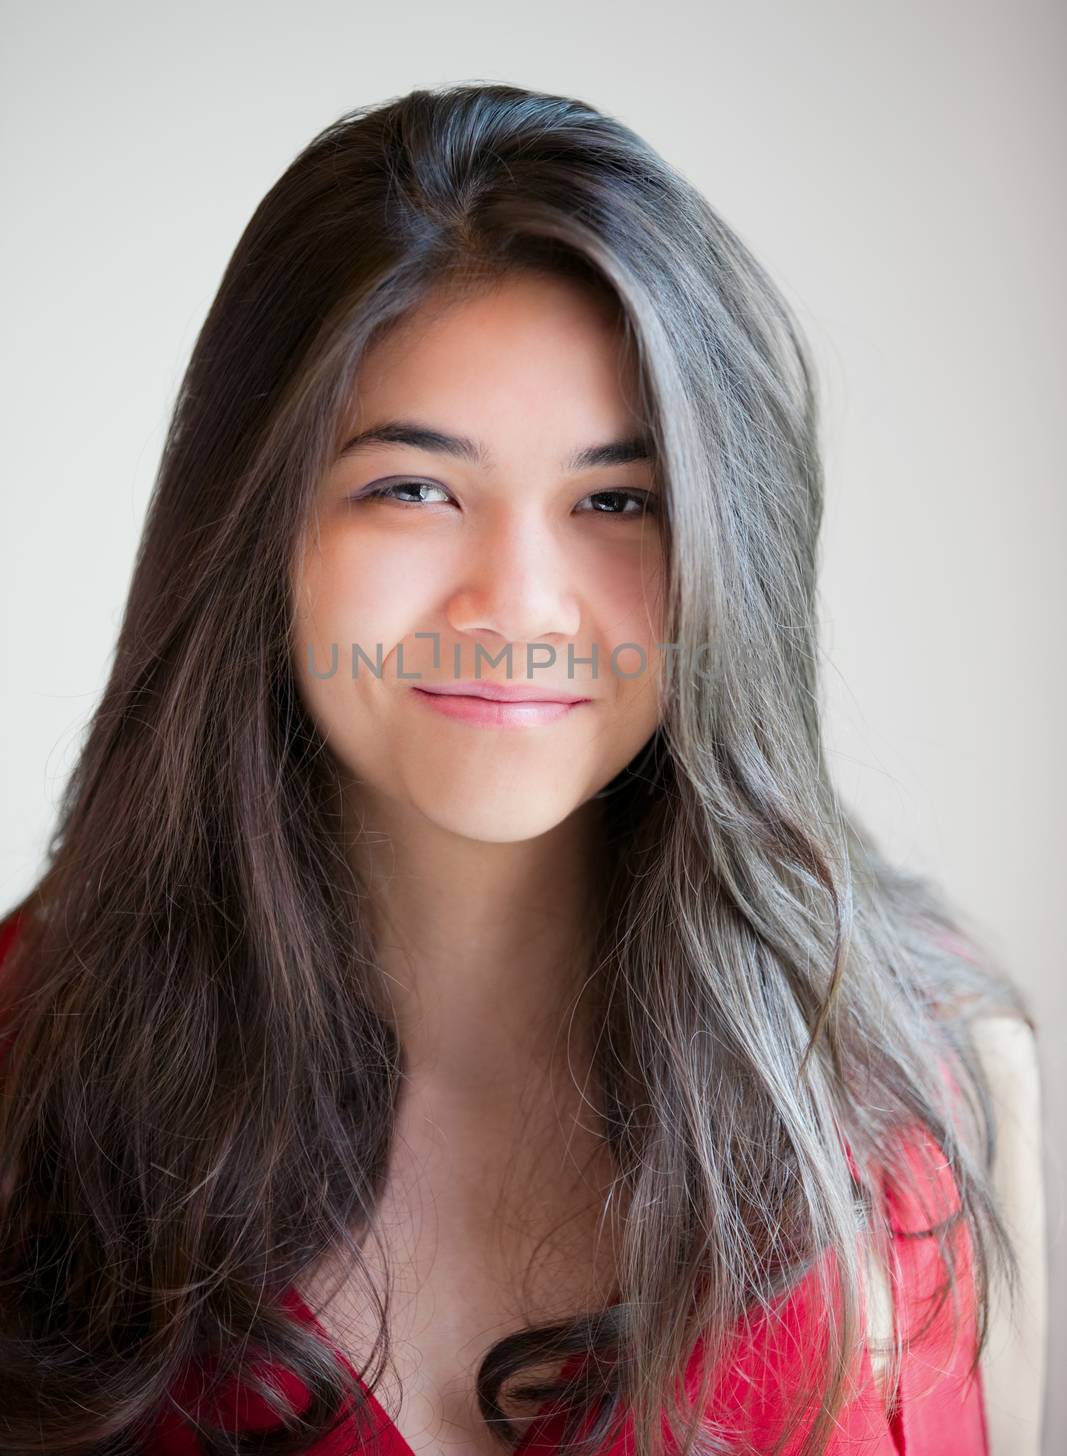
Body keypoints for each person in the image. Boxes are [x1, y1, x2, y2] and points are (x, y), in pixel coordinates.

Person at [0, 83, 1045, 1456]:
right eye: (413, 488)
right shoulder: (33, 1076)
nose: (519, 605)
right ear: (259, 529)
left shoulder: (927, 1081)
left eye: (619, 501)